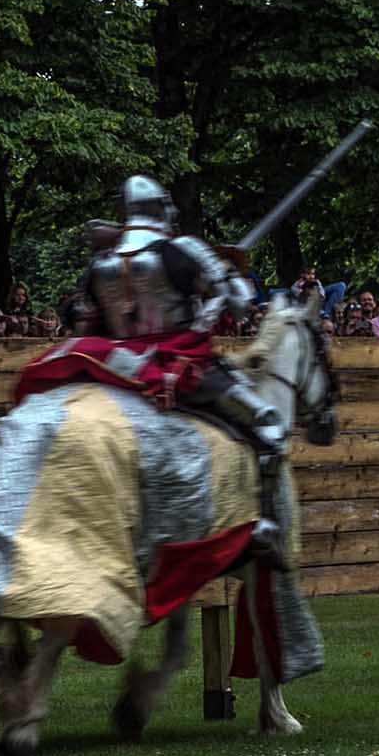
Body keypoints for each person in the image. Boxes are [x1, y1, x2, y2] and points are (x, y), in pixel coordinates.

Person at [81, 175, 289, 557]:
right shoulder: (182, 250)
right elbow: (242, 305)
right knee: (269, 422)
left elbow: (82, 314)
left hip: (114, 366)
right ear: (163, 208)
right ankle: (265, 522)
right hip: (176, 364)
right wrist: (231, 275)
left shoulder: (102, 261)